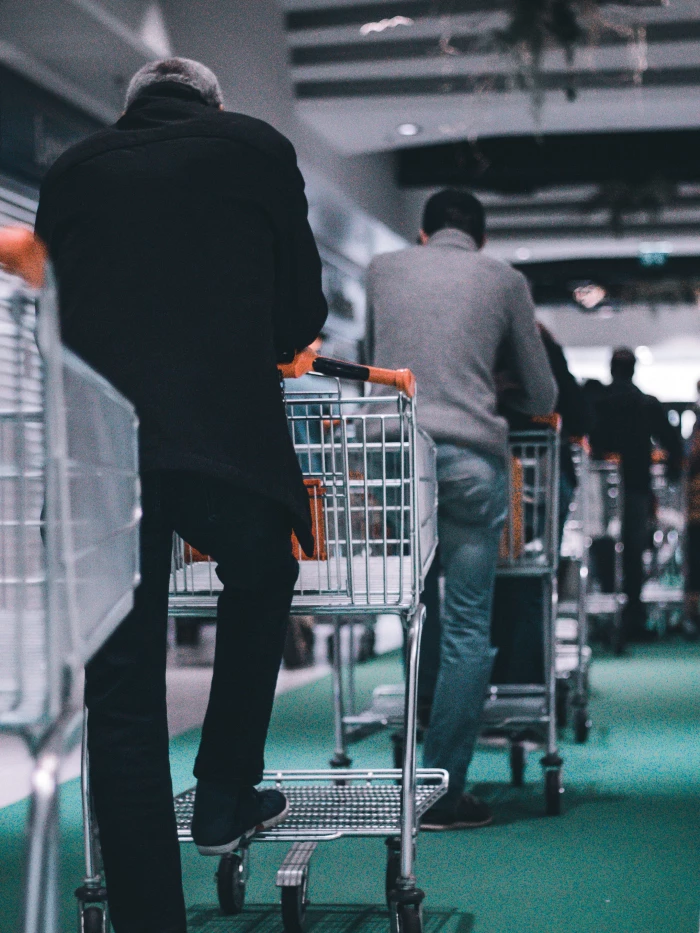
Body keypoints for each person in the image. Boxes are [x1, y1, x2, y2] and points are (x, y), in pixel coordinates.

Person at [35, 58, 327, 933]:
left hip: (99, 455)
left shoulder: (72, 169)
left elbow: (48, 309)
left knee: (121, 692)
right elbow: (298, 317)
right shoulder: (255, 147)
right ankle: (226, 789)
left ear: (129, 110)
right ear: (213, 99)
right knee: (261, 575)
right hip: (223, 445)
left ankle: (148, 921)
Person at [365, 189, 556, 829]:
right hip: (471, 460)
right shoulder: (503, 278)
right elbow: (542, 388)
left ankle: (411, 762)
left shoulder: (382, 270)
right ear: (480, 237)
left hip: (396, 458)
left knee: (413, 608)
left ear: (423, 234)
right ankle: (445, 790)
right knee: (468, 627)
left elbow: (378, 361)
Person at [491, 323, 592, 684]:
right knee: (535, 576)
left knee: (493, 580)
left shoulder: (487, 354)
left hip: (497, 476)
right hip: (546, 477)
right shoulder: (548, 353)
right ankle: (529, 682)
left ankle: (497, 678)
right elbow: (579, 417)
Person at [589, 348, 682, 647]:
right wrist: (670, 473)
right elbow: (671, 441)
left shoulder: (599, 403)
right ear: (633, 369)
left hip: (601, 485)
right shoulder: (647, 403)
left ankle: (605, 616)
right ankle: (633, 616)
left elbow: (591, 437)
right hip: (638, 485)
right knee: (633, 552)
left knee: (600, 545)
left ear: (612, 369)